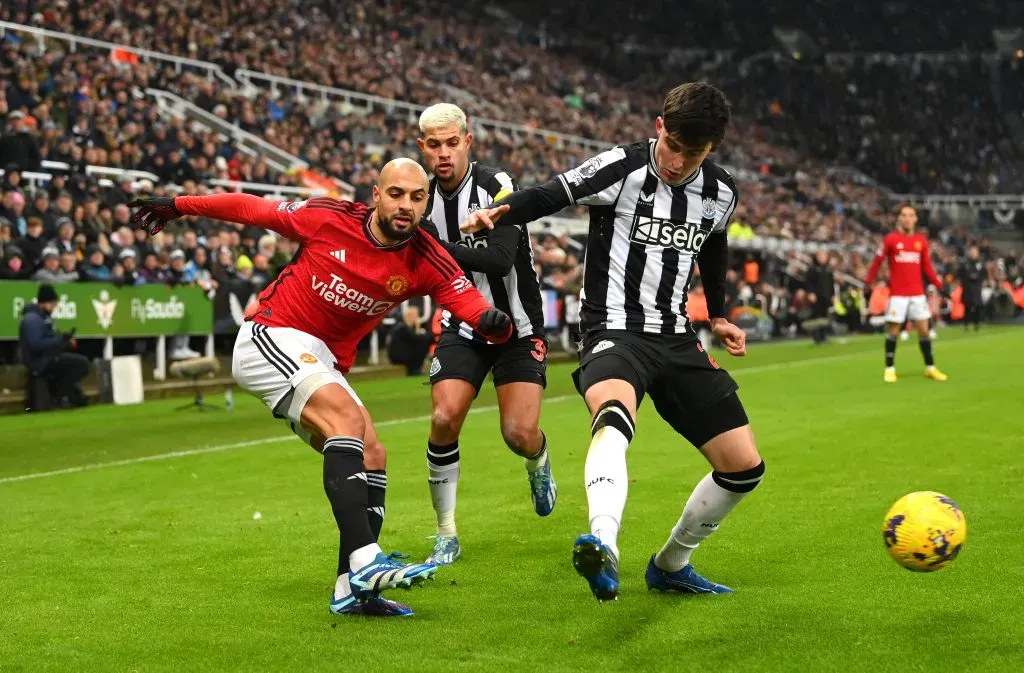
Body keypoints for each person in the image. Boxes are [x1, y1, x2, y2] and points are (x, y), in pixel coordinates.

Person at [128, 159, 514, 618]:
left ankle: (351, 590)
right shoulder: (329, 218)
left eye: (416, 197)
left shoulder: (426, 256)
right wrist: (179, 204)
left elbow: (465, 298)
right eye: (396, 194)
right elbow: (252, 209)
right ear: (376, 194)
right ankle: (366, 561)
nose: (405, 205)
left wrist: (488, 321)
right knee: (348, 423)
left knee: (372, 452)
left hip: (321, 361)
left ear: (425, 202)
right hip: (271, 336)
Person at [462, 82, 766, 601]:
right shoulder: (622, 167)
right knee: (613, 418)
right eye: (672, 146)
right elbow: (551, 192)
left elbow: (713, 251)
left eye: (691, 154)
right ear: (659, 126)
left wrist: (718, 315)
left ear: (710, 150)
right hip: (614, 331)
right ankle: (603, 544)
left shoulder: (720, 191)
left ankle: (671, 565)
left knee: (743, 468)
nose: (676, 162)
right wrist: (501, 211)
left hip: (676, 338)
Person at [415, 103, 555, 565]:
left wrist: (434, 248)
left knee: (518, 433)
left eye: (452, 143)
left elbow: (498, 260)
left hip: (518, 326)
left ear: (467, 142)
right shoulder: (421, 200)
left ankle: (538, 460)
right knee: (442, 418)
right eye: (434, 145)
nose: (443, 154)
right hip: (464, 324)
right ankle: (446, 532)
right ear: (422, 148)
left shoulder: (497, 186)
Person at [864, 205, 947, 383]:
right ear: (899, 219)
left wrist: (939, 284)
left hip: (917, 294)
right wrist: (868, 281)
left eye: (911, 215)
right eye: (904, 215)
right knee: (893, 331)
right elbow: (877, 261)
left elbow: (927, 266)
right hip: (898, 295)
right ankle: (889, 368)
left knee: (924, 331)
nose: (907, 218)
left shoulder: (921, 241)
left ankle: (930, 367)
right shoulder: (890, 239)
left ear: (916, 219)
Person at [19, 283, 89, 409]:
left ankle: (61, 394)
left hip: (47, 358)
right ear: (44, 303)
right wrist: (59, 341)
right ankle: (59, 394)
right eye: (52, 304)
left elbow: (48, 340)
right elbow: (35, 344)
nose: (54, 307)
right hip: (40, 362)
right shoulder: (32, 319)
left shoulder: (42, 318)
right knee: (81, 364)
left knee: (78, 363)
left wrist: (64, 341)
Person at [387, 305, 433, 375]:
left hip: (403, 354)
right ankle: (415, 370)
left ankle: (416, 369)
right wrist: (419, 328)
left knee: (422, 343)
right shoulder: (402, 327)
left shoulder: (404, 326)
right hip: (398, 357)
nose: (417, 317)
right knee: (423, 345)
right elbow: (417, 339)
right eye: (416, 315)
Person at [804, 250, 835, 344]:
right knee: (817, 316)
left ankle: (824, 335)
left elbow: (831, 283)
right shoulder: (812, 269)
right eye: (820, 256)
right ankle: (816, 337)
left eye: (824, 256)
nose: (822, 258)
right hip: (817, 296)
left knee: (825, 316)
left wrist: (833, 295)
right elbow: (808, 282)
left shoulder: (828, 269)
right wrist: (810, 293)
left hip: (826, 296)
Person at [957, 246, 985, 331]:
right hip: (967, 288)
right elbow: (959, 274)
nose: (973, 254)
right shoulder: (965, 264)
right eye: (972, 252)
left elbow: (984, 274)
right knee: (967, 307)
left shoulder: (980, 264)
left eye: (975, 253)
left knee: (977, 307)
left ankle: (977, 325)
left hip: (977, 288)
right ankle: (966, 325)